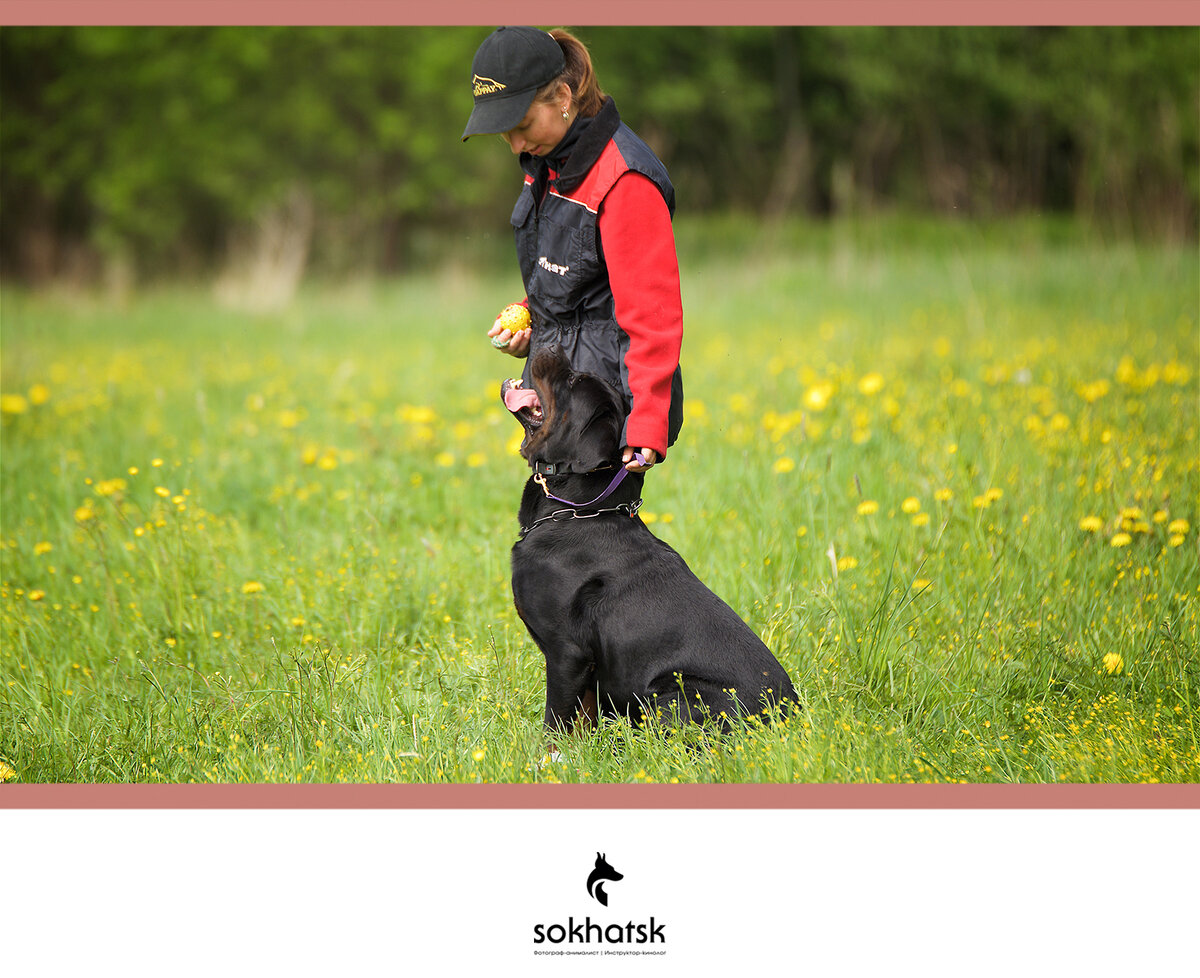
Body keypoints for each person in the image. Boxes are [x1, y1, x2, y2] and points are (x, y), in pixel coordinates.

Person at [462, 26, 683, 474]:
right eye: (506, 135)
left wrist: (645, 425)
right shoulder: (549, 163)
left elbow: (651, 314)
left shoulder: (624, 180)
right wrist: (532, 316)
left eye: (522, 126)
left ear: (563, 96)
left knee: (587, 535)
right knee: (556, 532)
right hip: (561, 396)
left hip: (601, 409)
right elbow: (575, 275)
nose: (517, 146)